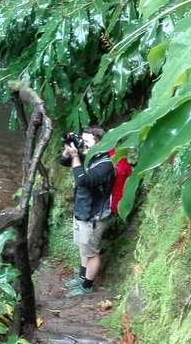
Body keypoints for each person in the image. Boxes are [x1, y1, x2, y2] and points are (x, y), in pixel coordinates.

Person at [59, 126, 115, 297]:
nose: (83, 145)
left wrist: (76, 156)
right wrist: (68, 152)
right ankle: (82, 276)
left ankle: (87, 286)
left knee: (91, 252)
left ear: (99, 144)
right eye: (82, 140)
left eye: (87, 142)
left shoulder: (105, 164)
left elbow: (83, 181)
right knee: (84, 249)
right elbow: (63, 162)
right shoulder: (88, 155)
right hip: (82, 211)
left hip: (94, 215)